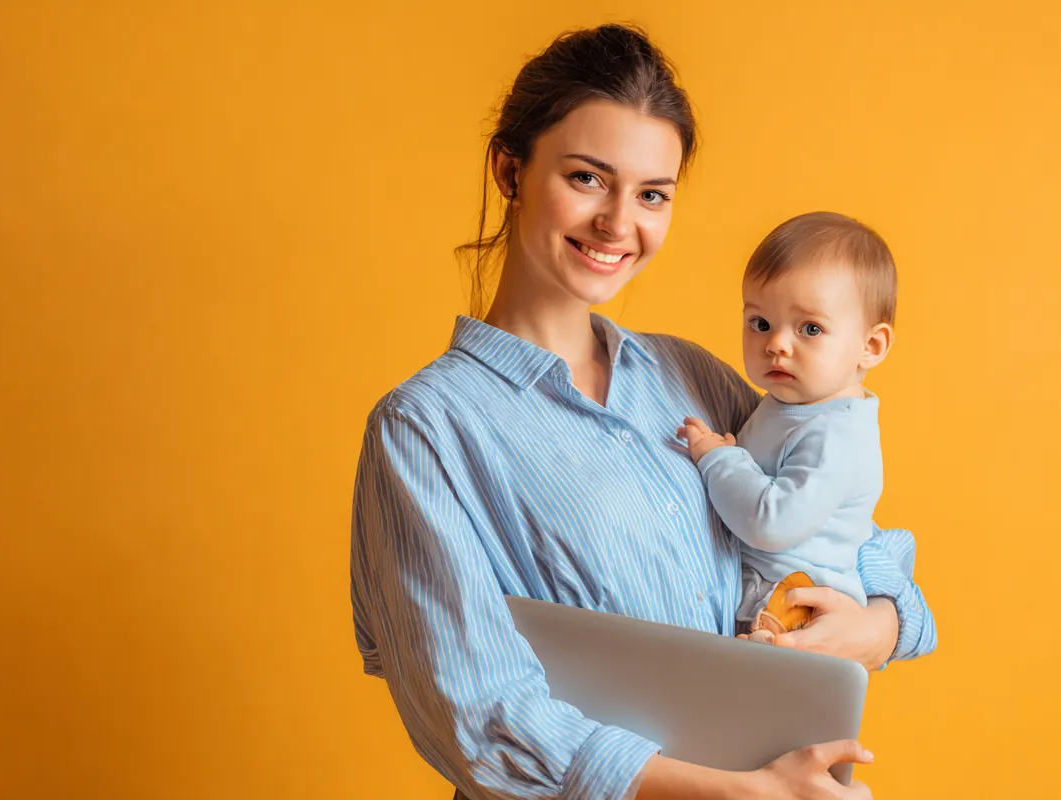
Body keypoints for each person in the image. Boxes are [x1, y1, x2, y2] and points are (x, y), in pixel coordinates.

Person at [349, 24, 936, 800]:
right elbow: (480, 713)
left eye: (652, 194)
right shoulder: (425, 428)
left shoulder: (692, 378)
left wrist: (877, 628)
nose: (619, 223)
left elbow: (852, 531)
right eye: (589, 178)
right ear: (509, 168)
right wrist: (740, 791)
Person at [678, 212, 898, 638]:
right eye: (760, 323)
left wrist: (718, 459)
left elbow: (771, 522)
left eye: (810, 329)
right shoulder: (793, 405)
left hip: (796, 608)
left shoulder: (838, 434)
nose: (776, 344)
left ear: (870, 347)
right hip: (762, 594)